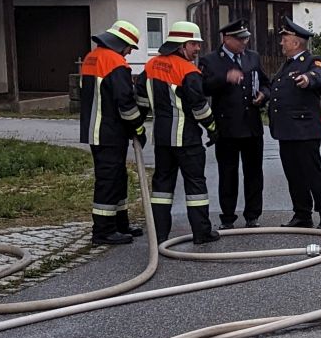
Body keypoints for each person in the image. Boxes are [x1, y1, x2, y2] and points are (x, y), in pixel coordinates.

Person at [139, 21, 219, 244]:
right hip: (187, 139)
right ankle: (201, 233)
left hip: (162, 140)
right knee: (196, 187)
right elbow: (200, 107)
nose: (198, 49)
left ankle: (159, 235)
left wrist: (137, 127)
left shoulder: (151, 66)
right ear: (181, 45)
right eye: (194, 44)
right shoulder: (188, 71)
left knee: (162, 188)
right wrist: (212, 128)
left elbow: (141, 100)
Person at [77, 19, 147, 245]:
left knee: (117, 177)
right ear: (121, 43)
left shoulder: (92, 58)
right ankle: (103, 231)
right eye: (129, 47)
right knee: (108, 181)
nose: (129, 53)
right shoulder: (116, 63)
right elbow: (125, 103)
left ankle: (120, 223)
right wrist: (138, 127)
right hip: (109, 132)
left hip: (96, 130)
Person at [266, 20, 321, 230]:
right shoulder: (286, 65)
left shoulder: (312, 61)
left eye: (285, 40)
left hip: (305, 132)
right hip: (286, 132)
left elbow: (317, 75)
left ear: (296, 43)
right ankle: (302, 213)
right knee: (293, 175)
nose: (282, 44)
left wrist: (307, 79)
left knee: (312, 174)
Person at [201, 19, 267, 229]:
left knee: (254, 173)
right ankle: (227, 216)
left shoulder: (252, 57)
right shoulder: (211, 60)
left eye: (245, 38)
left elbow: (266, 82)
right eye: (239, 39)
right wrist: (224, 78)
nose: (243, 43)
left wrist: (263, 95)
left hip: (252, 126)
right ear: (226, 39)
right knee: (228, 173)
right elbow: (204, 87)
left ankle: (252, 215)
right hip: (227, 128)